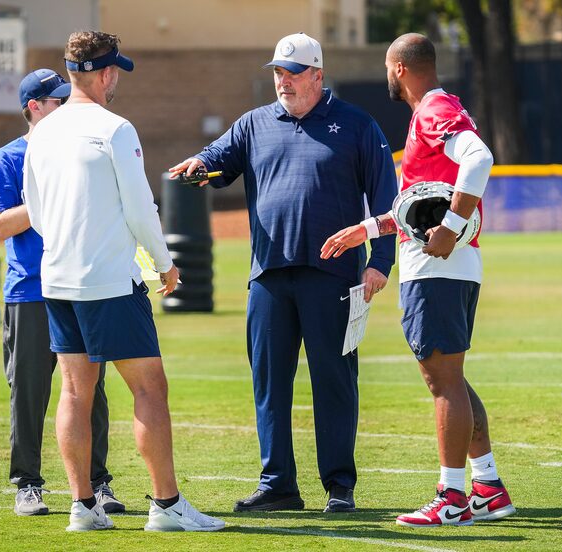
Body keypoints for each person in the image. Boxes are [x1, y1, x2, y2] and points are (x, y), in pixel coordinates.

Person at [169, 32, 397, 513]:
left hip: (334, 276)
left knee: (334, 380)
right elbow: (216, 159)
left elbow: (385, 200)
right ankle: (279, 485)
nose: (282, 82)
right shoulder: (254, 123)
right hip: (269, 275)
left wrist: (379, 263)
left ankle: (339, 486)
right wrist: (199, 164)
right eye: (276, 73)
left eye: (292, 74)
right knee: (269, 382)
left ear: (318, 75)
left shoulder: (357, 125)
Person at [23, 31, 224, 533]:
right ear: (105, 72)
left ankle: (83, 507)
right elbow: (141, 208)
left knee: (74, 391)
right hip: (108, 280)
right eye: (116, 72)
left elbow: (38, 212)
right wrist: (165, 263)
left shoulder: (41, 130)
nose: (117, 81)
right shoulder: (116, 129)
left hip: (57, 278)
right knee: (149, 389)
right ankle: (167, 505)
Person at [321, 33, 515, 527]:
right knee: (450, 377)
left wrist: (450, 228)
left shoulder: (433, 110)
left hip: (440, 267)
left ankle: (452, 498)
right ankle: (488, 487)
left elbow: (480, 158)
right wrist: (365, 229)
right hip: (444, 265)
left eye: (388, 68)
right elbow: (414, 208)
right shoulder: (428, 113)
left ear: (399, 68)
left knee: (442, 379)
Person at [0, 68, 125, 517]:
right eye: (56, 102)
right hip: (30, 292)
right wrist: (50, 195)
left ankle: (98, 484)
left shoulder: (79, 150)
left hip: (80, 285)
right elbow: (0, 224)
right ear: (34, 108)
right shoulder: (6, 158)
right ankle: (28, 484)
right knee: (28, 391)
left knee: (92, 392)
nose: (66, 107)